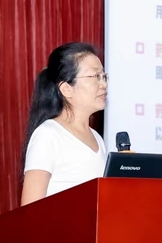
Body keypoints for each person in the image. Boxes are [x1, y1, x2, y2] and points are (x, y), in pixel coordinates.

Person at [19, 42, 108, 205]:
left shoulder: (97, 138)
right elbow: (30, 209)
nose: (103, 84)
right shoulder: (48, 135)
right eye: (95, 76)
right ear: (67, 89)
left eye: (103, 76)